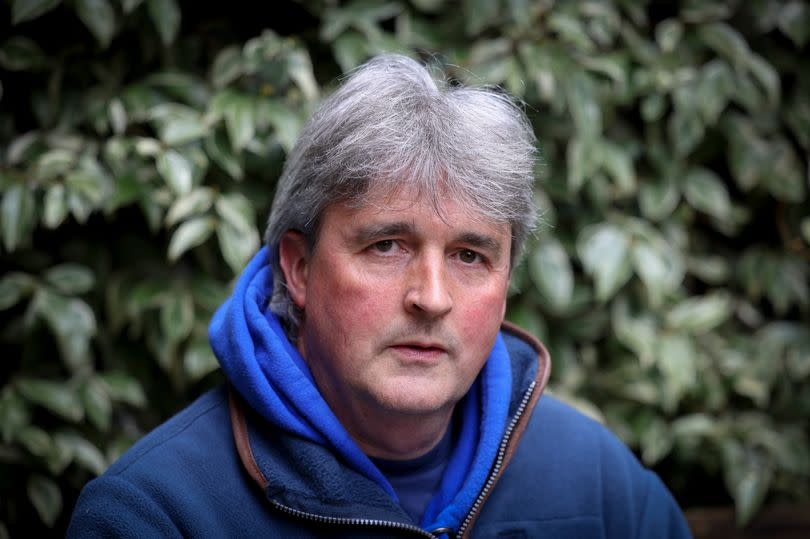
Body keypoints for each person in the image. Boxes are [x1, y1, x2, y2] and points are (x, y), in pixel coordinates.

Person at [68, 54, 692, 538]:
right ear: (300, 268)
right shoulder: (156, 515)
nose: (431, 297)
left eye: (470, 256)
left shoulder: (604, 488)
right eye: (387, 246)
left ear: (507, 286)